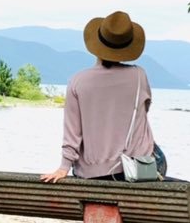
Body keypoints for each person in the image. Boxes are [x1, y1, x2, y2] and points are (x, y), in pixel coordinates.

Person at [41, 10, 167, 183]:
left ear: (96, 45)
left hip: (90, 172)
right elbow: (143, 111)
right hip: (134, 168)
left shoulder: (77, 81)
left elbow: (73, 132)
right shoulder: (139, 76)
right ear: (127, 48)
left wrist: (64, 167)